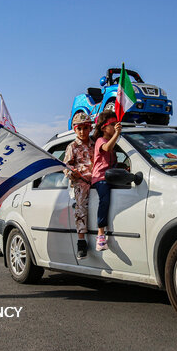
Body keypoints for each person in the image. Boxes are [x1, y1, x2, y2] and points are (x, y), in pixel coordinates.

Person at [63, 113, 94, 259]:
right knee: (81, 205)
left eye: (86, 128)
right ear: (75, 130)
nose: (83, 131)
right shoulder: (72, 146)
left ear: (91, 128)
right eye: (79, 128)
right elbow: (66, 167)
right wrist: (72, 174)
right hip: (81, 182)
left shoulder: (96, 144)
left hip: (96, 180)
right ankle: (81, 242)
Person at [91, 110, 122, 251]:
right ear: (104, 128)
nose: (116, 126)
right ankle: (101, 233)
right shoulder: (100, 141)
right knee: (105, 199)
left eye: (117, 124)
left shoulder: (113, 144)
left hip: (111, 176)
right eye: (113, 124)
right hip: (100, 178)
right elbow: (107, 147)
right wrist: (117, 134)